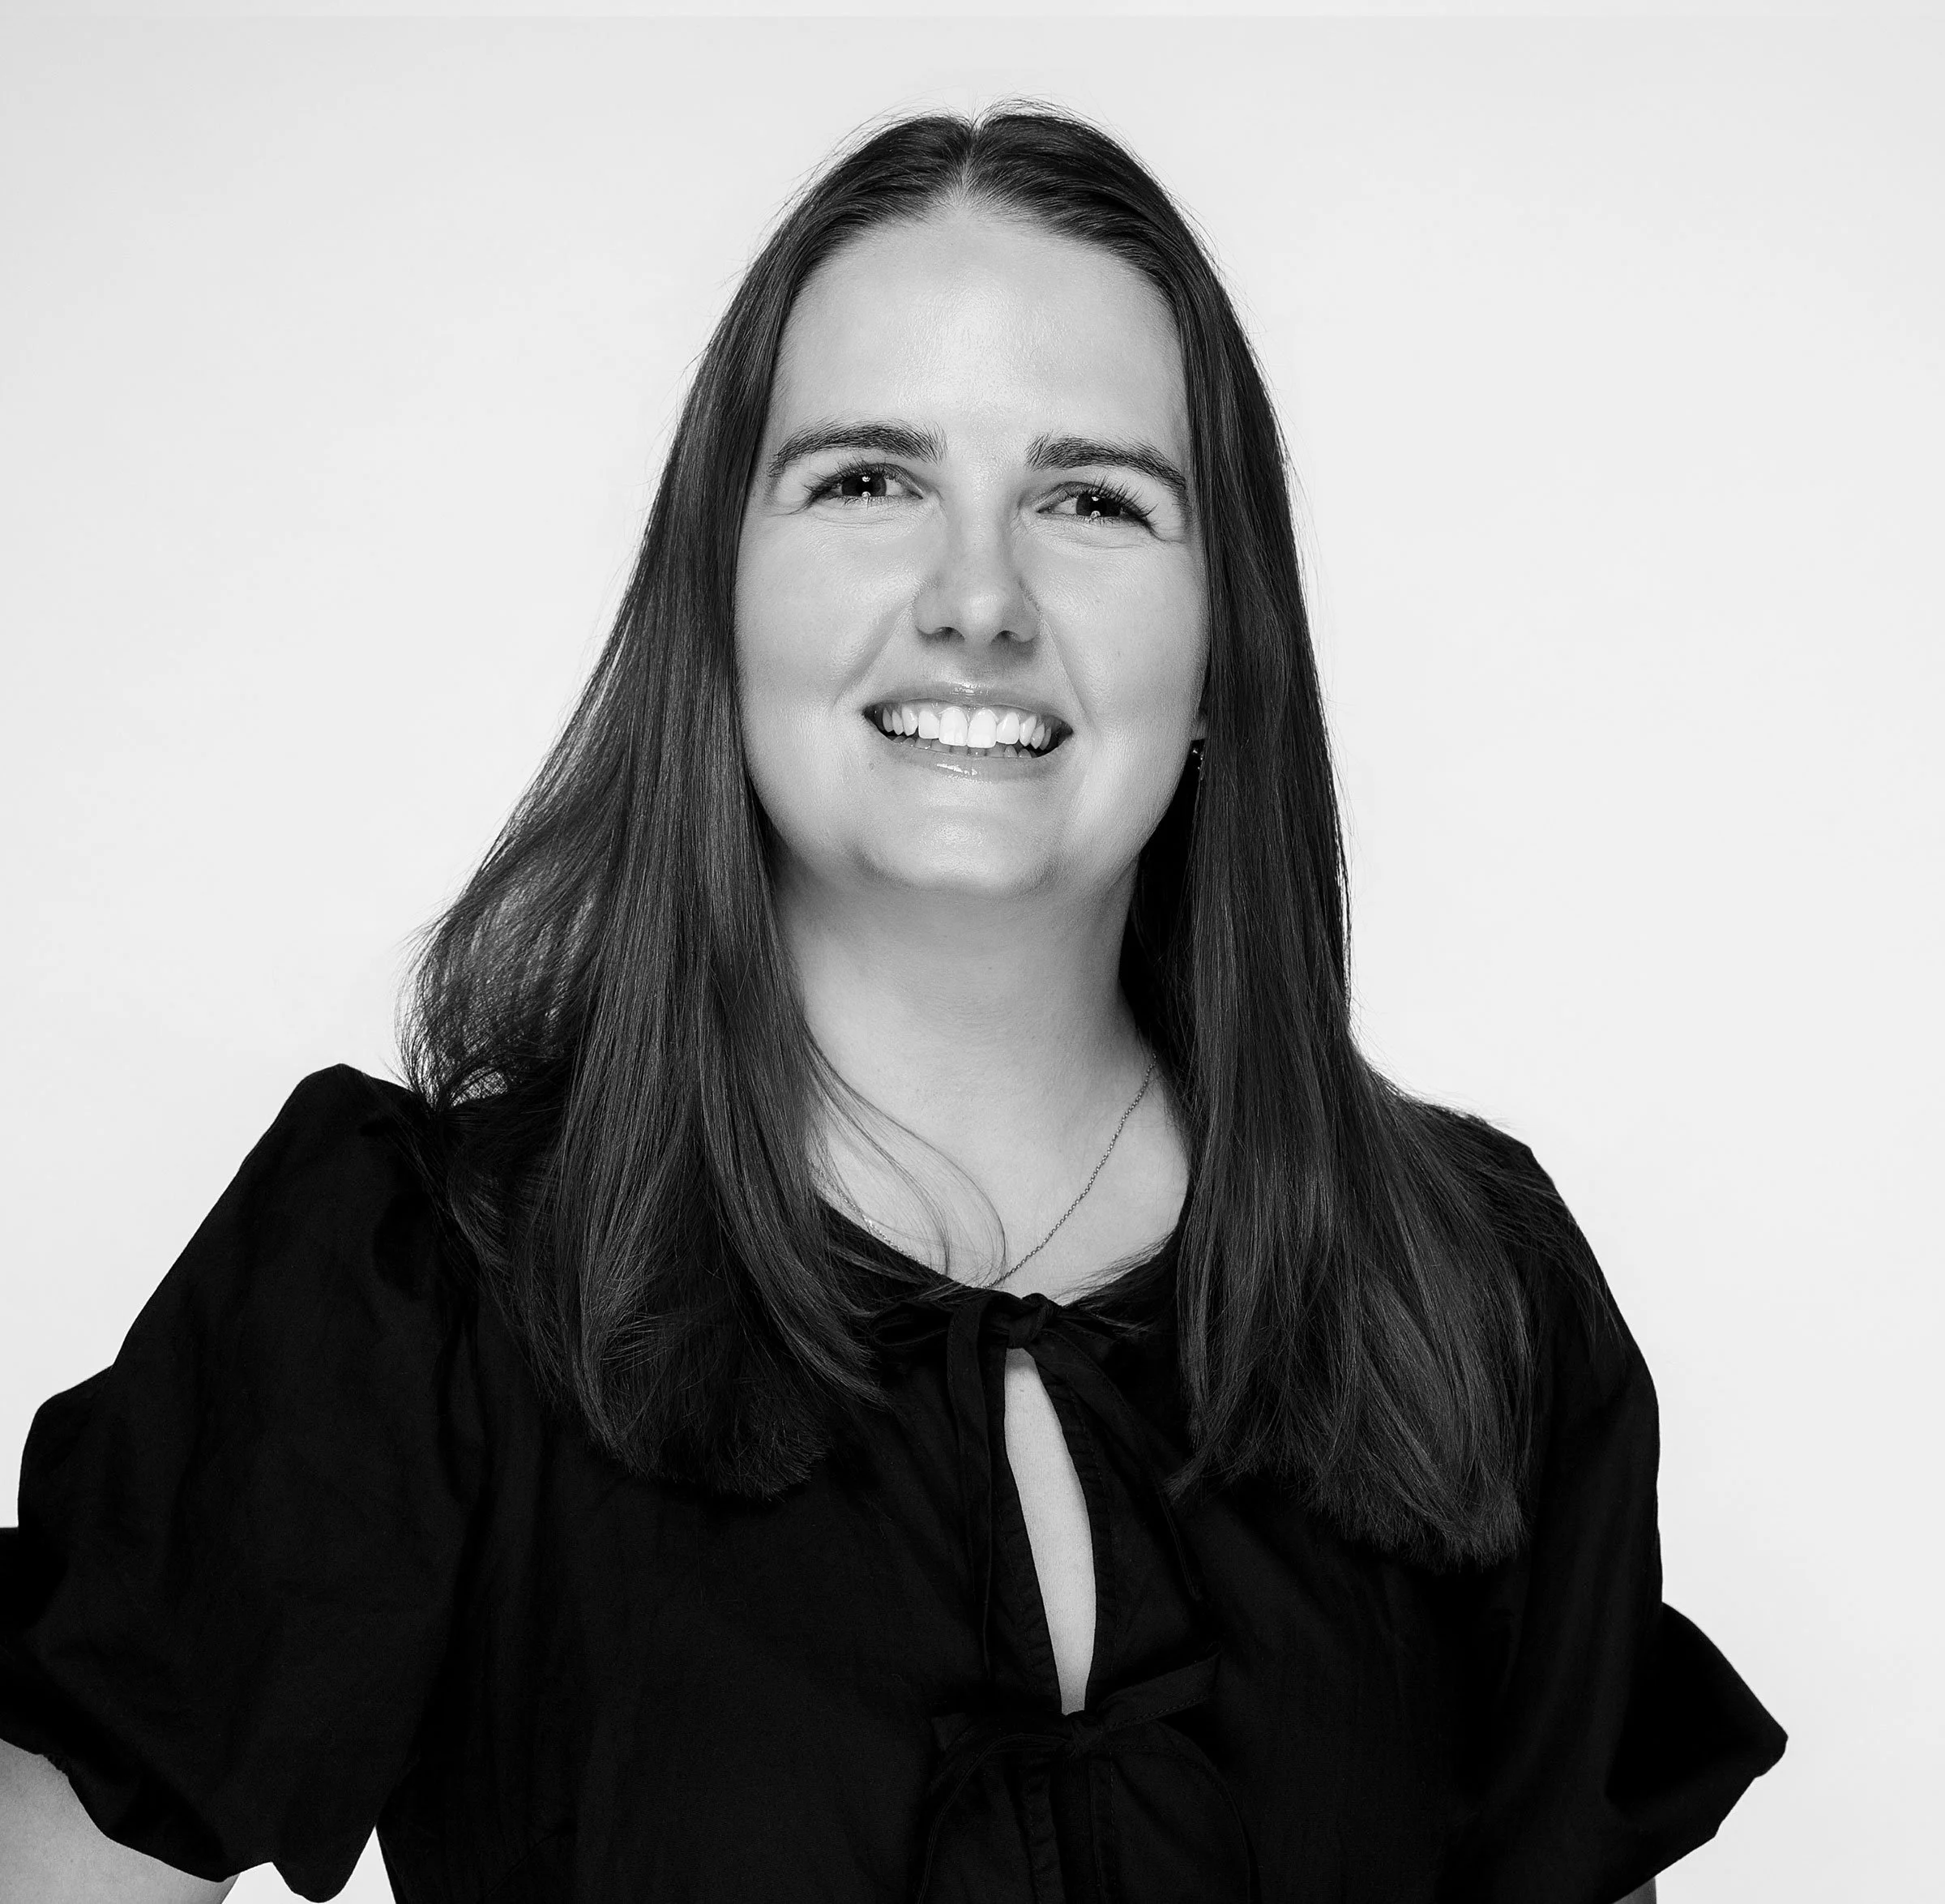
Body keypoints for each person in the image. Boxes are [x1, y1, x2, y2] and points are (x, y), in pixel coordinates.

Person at [0, 107, 1782, 1904]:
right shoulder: (416, 1293)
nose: (978, 599)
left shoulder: (1469, 1299)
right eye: (868, 478)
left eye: (1093, 499)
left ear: (1227, 639)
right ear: (718, 594)